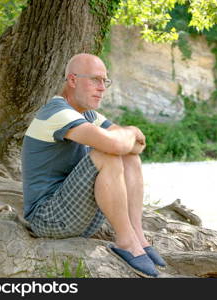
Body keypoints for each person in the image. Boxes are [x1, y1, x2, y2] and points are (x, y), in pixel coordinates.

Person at [21, 53, 165, 278]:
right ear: (72, 80)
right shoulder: (58, 113)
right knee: (107, 155)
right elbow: (116, 144)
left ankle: (137, 236)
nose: (102, 88)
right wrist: (132, 131)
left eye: (104, 81)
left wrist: (127, 137)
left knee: (129, 158)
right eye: (95, 80)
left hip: (79, 215)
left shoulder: (87, 114)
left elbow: (135, 148)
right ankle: (126, 242)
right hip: (48, 219)